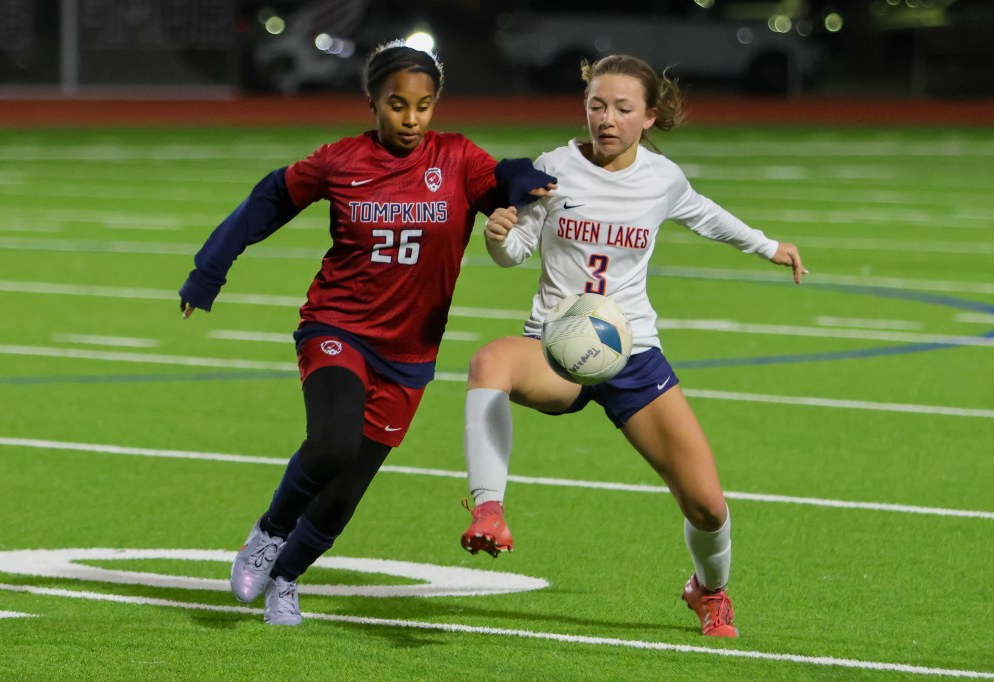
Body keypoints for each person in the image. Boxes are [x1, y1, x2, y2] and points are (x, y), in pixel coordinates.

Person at [178, 40, 556, 626]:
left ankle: (286, 579)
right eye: (397, 105)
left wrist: (525, 183)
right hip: (338, 327)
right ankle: (268, 533)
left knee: (345, 493)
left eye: (424, 106)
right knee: (332, 444)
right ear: (373, 102)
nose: (411, 119)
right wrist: (209, 271)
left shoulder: (456, 159)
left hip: (409, 354)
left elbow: (504, 174)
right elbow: (271, 197)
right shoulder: (342, 159)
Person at [458, 54, 807, 638]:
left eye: (623, 108)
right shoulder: (552, 167)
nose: (607, 119)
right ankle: (488, 507)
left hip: (633, 352)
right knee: (489, 360)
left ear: (649, 117)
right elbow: (515, 251)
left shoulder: (660, 179)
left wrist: (767, 246)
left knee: (708, 506)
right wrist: (497, 236)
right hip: (557, 347)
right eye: (597, 105)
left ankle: (709, 591)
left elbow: (705, 216)